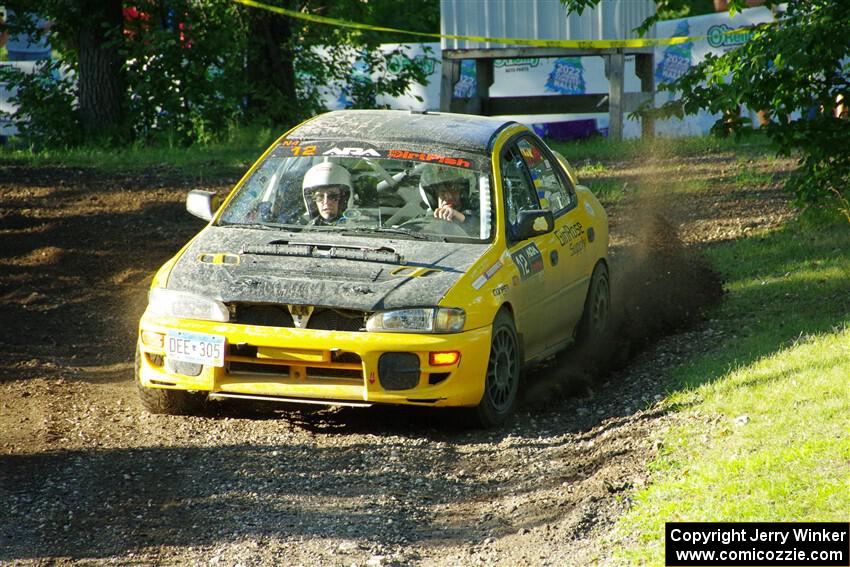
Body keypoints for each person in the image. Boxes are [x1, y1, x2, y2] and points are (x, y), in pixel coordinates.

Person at [418, 164, 478, 234]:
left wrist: (462, 218)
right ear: (433, 197)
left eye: (454, 190)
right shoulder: (421, 222)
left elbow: (484, 229)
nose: (449, 196)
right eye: (442, 192)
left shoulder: (479, 213)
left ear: (462, 193)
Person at [301, 162, 352, 226]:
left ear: (343, 198)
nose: (326, 202)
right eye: (319, 196)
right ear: (312, 201)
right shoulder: (300, 226)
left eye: (333, 196)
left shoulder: (360, 224)